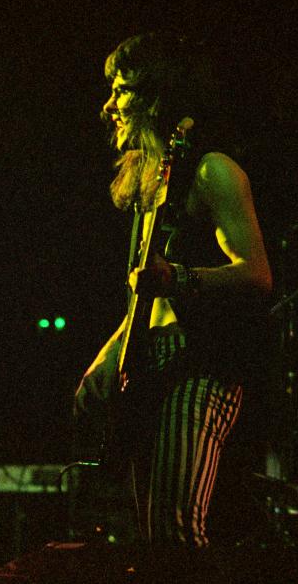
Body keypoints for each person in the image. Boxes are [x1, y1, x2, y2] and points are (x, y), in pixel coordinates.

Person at [73, 33, 273, 548]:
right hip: (152, 363)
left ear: (157, 95)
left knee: (175, 532)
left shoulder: (213, 170)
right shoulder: (151, 185)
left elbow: (256, 274)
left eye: (122, 90)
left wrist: (179, 277)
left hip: (202, 366)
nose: (110, 106)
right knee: (146, 536)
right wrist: (106, 359)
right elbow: (145, 300)